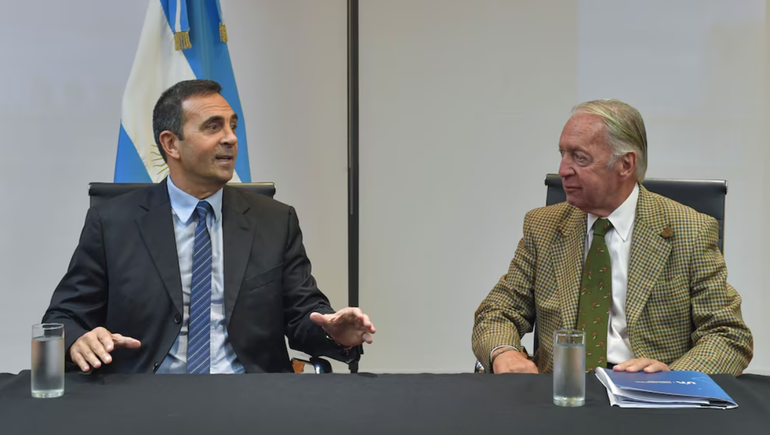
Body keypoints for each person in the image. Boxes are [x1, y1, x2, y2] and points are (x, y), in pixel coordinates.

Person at [43, 79, 375, 374]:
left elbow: (303, 314)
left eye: (232, 126)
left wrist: (335, 333)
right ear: (171, 144)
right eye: (213, 127)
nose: (230, 138)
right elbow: (63, 318)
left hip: (250, 399)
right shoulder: (113, 222)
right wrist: (77, 340)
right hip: (145, 398)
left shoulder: (274, 221)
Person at [472, 99, 752, 375]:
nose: (563, 170)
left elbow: (727, 335)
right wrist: (503, 352)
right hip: (563, 396)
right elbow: (497, 311)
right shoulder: (543, 227)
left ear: (625, 165)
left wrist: (673, 378)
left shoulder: (689, 230)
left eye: (579, 157)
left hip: (649, 402)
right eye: (562, 154)